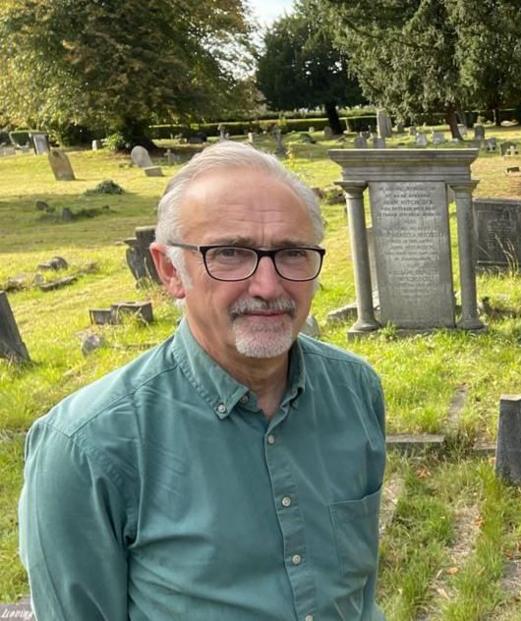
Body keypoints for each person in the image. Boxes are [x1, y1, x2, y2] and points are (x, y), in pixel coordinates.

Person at [19, 141, 387, 620]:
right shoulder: (85, 448)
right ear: (171, 269)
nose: (269, 286)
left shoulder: (355, 390)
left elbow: (357, 594)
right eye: (230, 253)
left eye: (292, 253)